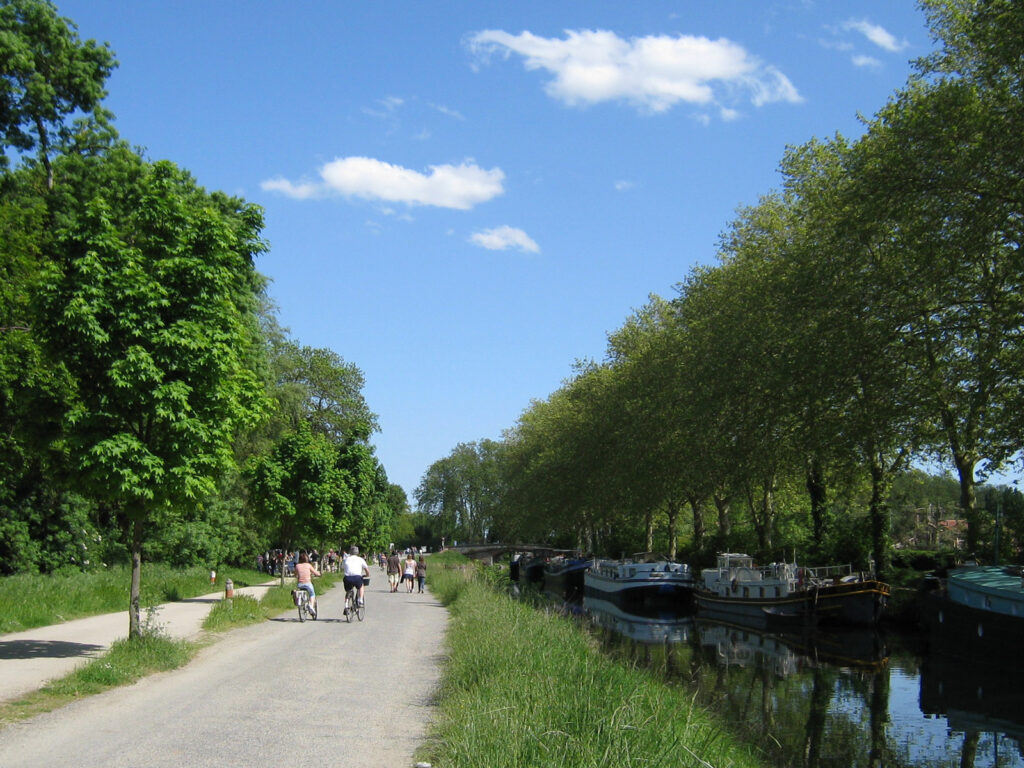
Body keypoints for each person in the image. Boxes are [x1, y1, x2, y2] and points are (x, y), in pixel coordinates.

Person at [343, 545, 371, 609]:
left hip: (347, 577)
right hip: (357, 577)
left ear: (350, 552)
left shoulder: (346, 559)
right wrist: (367, 575)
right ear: (357, 552)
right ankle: (360, 600)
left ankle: (346, 604)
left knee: (348, 590)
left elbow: (343, 567)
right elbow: (366, 569)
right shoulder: (360, 559)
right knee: (361, 586)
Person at [294, 551, 320, 617]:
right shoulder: (308, 565)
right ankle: (311, 606)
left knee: (301, 592)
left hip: (300, 584)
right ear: (306, 559)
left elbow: (295, 574)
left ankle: (303, 603)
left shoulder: (297, 566)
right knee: (312, 594)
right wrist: (319, 574)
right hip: (308, 583)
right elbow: (315, 573)